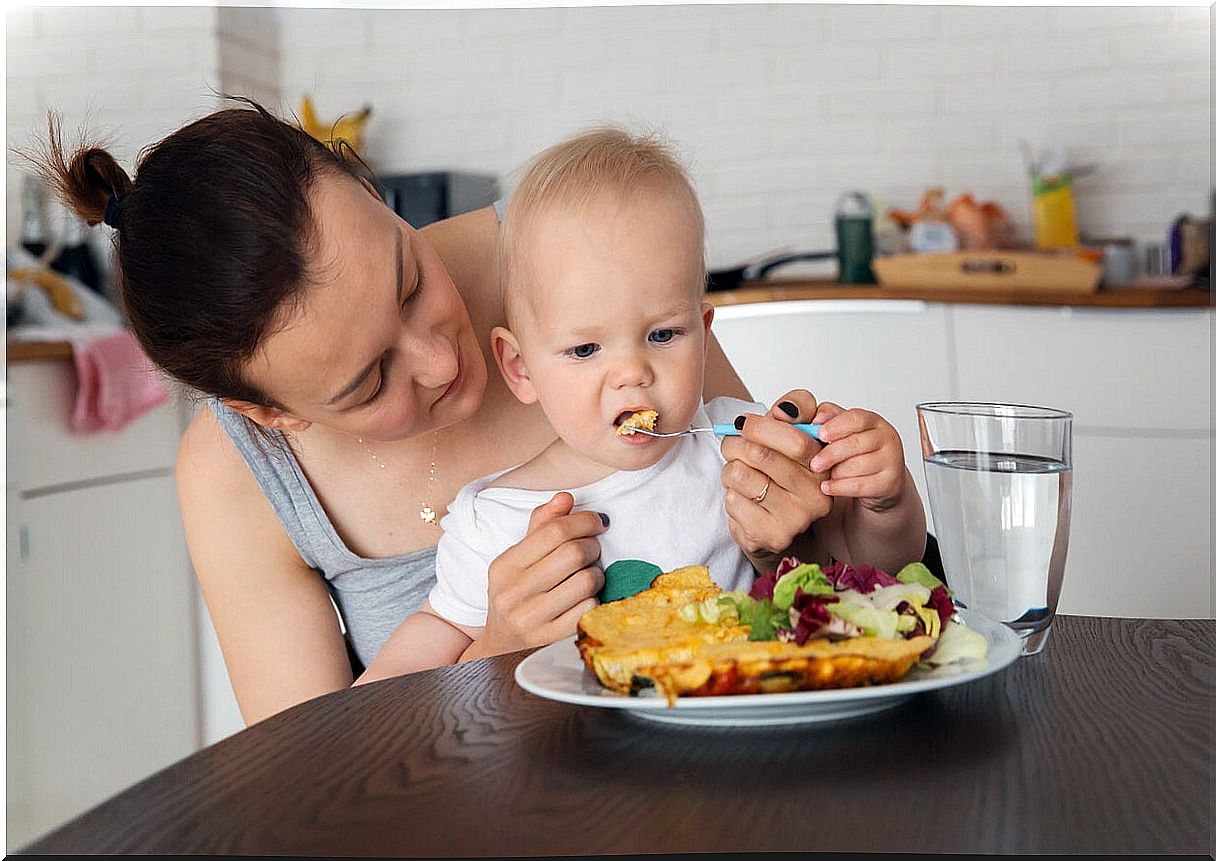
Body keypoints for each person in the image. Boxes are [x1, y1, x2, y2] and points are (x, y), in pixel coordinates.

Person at [32, 100, 757, 726]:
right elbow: (316, 784)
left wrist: (828, 499)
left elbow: (796, 555)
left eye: (409, 281)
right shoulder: (237, 475)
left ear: (370, 188)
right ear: (271, 414)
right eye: (371, 380)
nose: (444, 361)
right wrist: (495, 648)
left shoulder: (573, 249)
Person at [359, 128, 927, 682]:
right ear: (521, 367)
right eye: (584, 348)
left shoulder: (741, 449)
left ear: (703, 334)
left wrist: (883, 499)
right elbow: (407, 680)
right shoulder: (493, 520)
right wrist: (494, 644)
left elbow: (876, 567)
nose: (632, 373)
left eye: (663, 335)